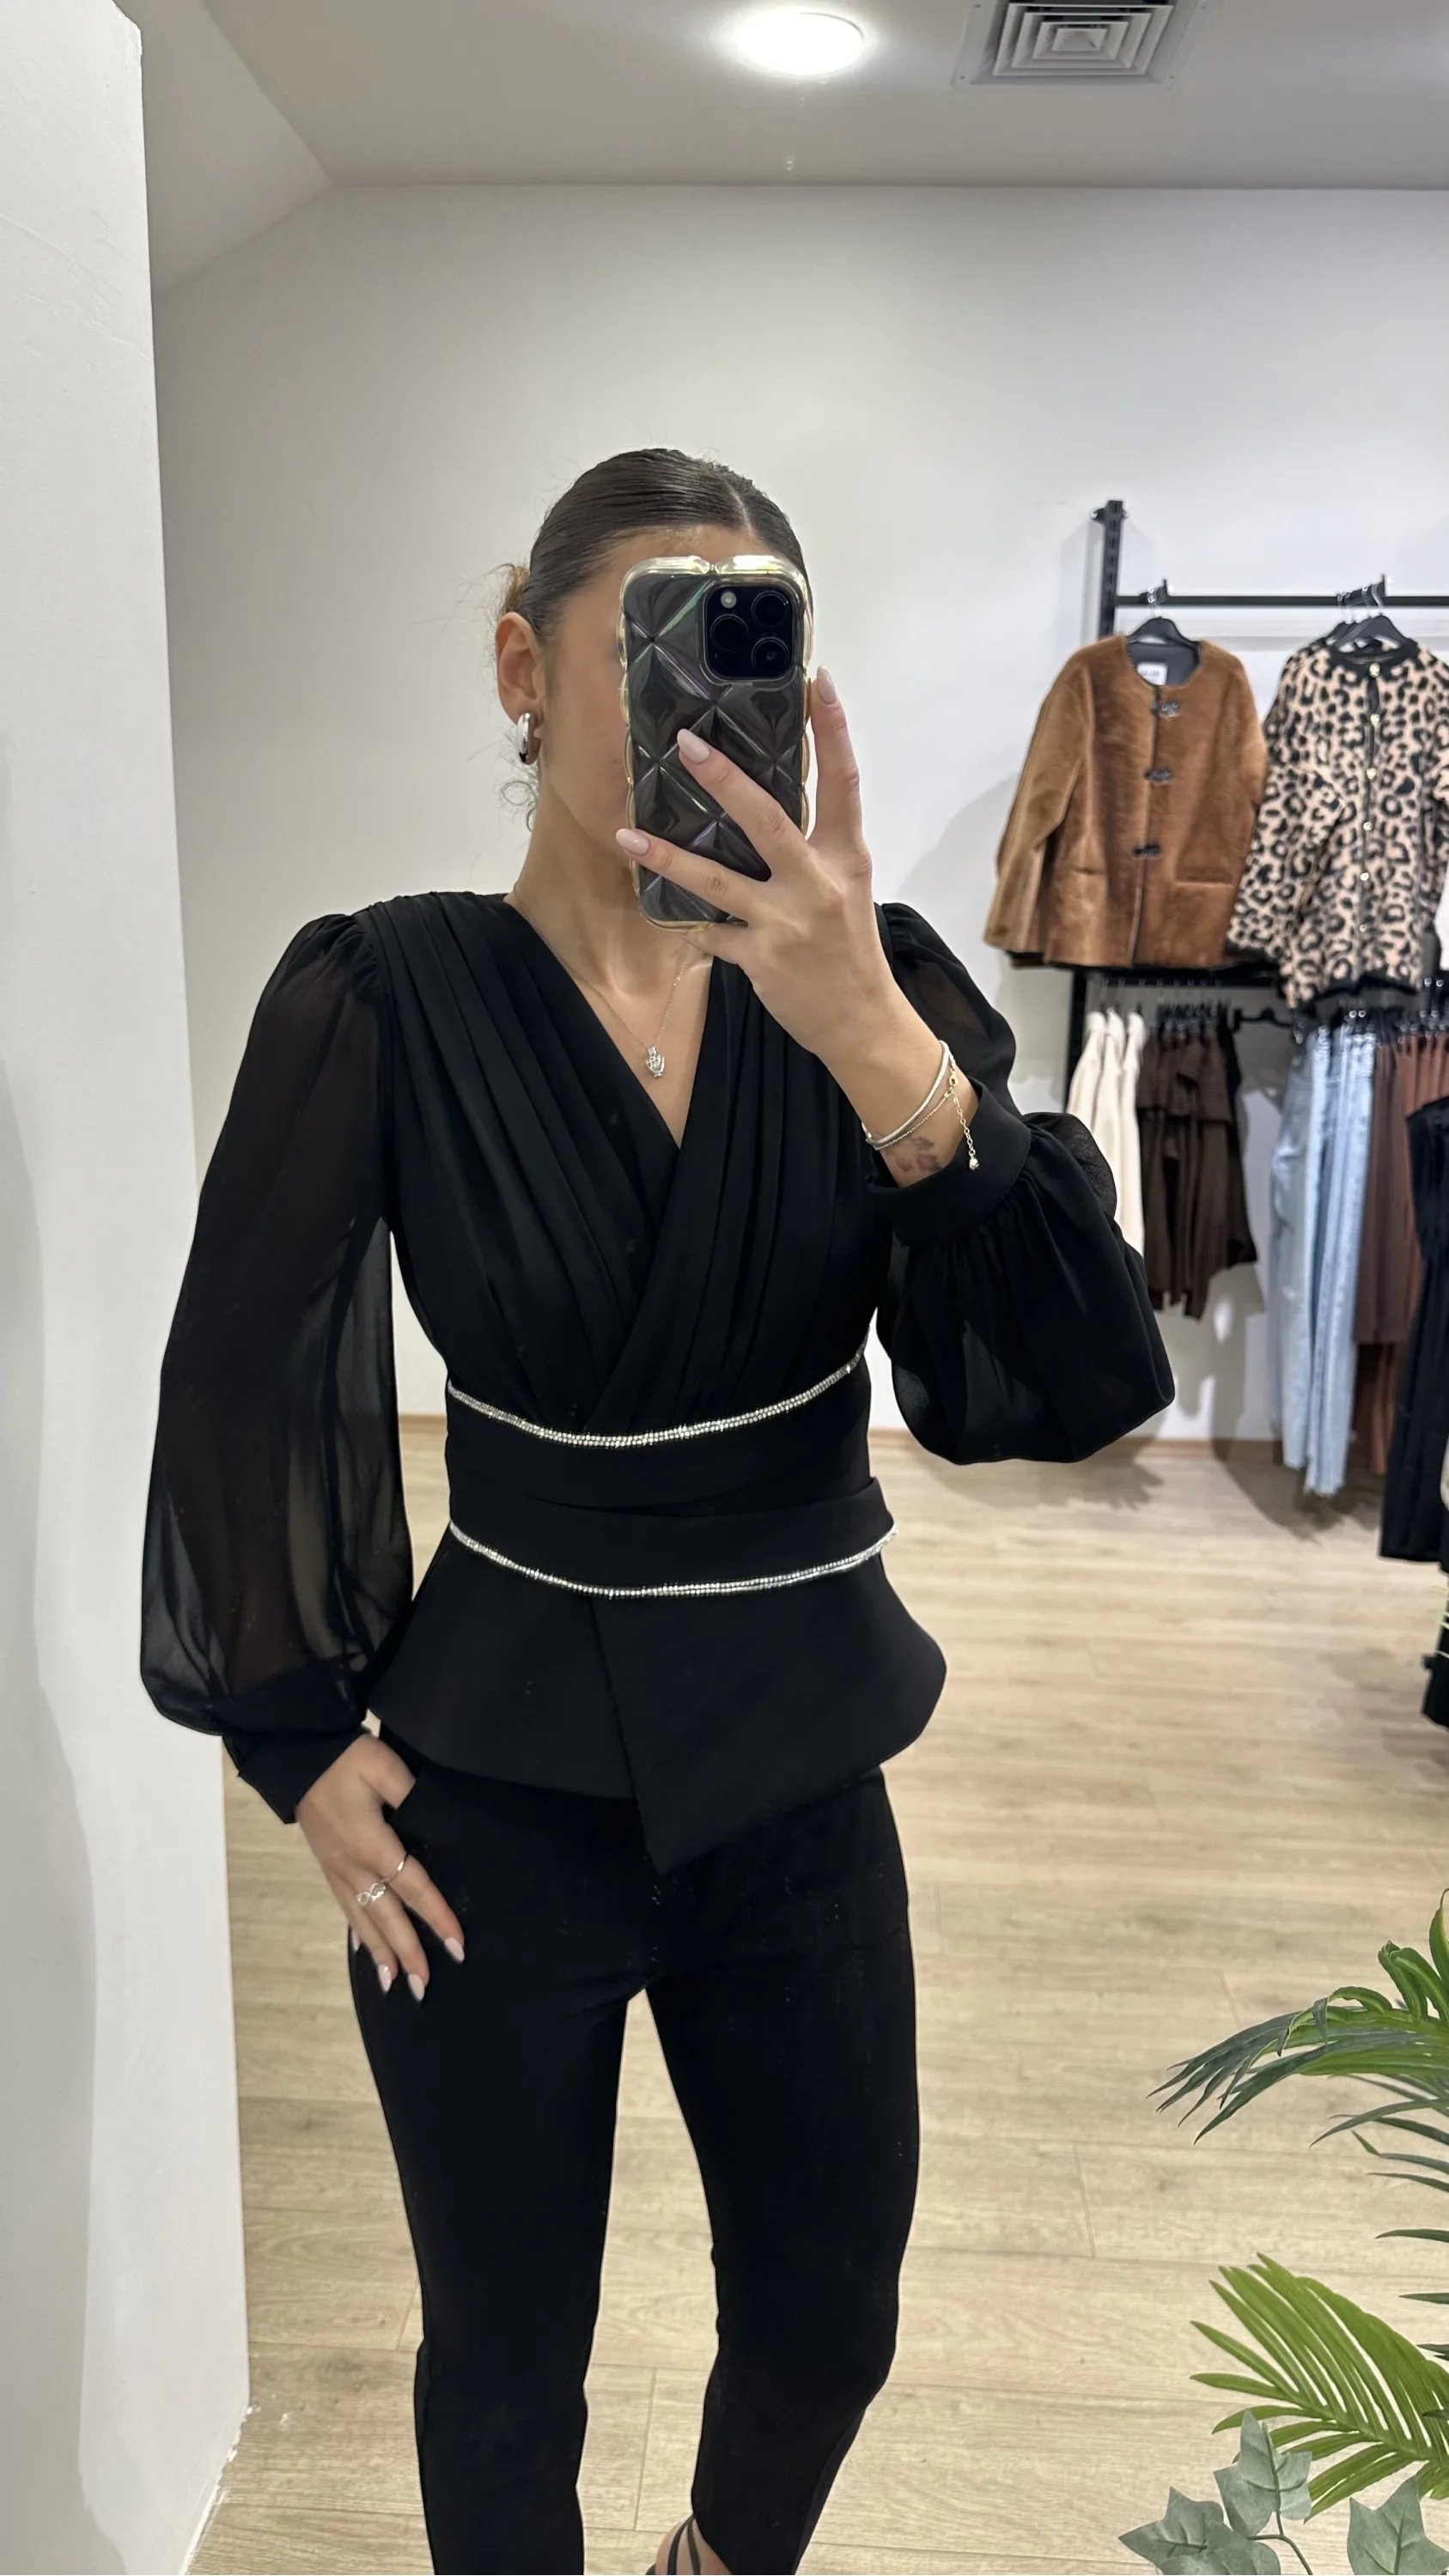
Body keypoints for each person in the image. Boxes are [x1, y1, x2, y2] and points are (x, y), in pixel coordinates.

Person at [140, 447, 1172, 2576]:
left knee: (829, 2320)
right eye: (659, 638)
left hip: (797, 1766)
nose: (709, 701)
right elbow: (243, 1367)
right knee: (502, 2370)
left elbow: (1072, 1383)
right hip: (490, 1788)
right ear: (525, 668)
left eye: (755, 644)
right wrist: (290, 1737)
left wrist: (873, 1040)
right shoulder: (383, 995)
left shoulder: (875, 989)